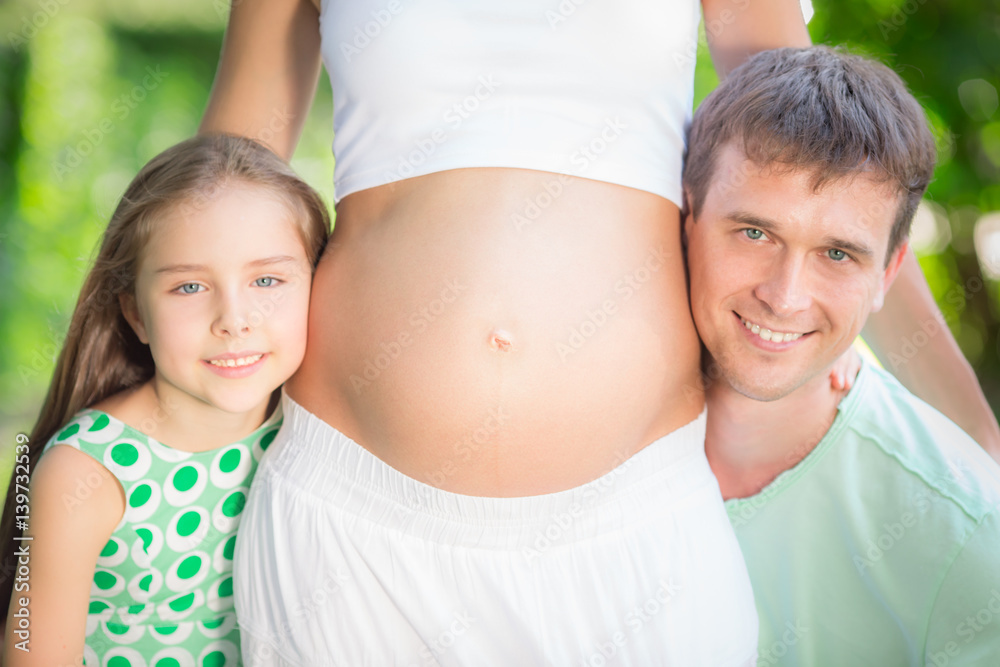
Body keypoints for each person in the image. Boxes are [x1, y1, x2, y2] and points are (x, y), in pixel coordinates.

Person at [198, 0, 997, 664]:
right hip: (351, 518)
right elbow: (218, 192)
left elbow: (839, 180)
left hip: (635, 529)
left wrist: (979, 441)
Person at [682, 46, 1000, 665]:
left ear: (889, 271)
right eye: (755, 232)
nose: (784, 296)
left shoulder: (966, 536)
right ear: (688, 218)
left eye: (837, 254)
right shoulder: (593, 429)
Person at [0, 135, 330, 665]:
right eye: (190, 288)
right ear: (135, 315)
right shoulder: (86, 474)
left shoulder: (316, 424)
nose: (234, 319)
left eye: (267, 279)